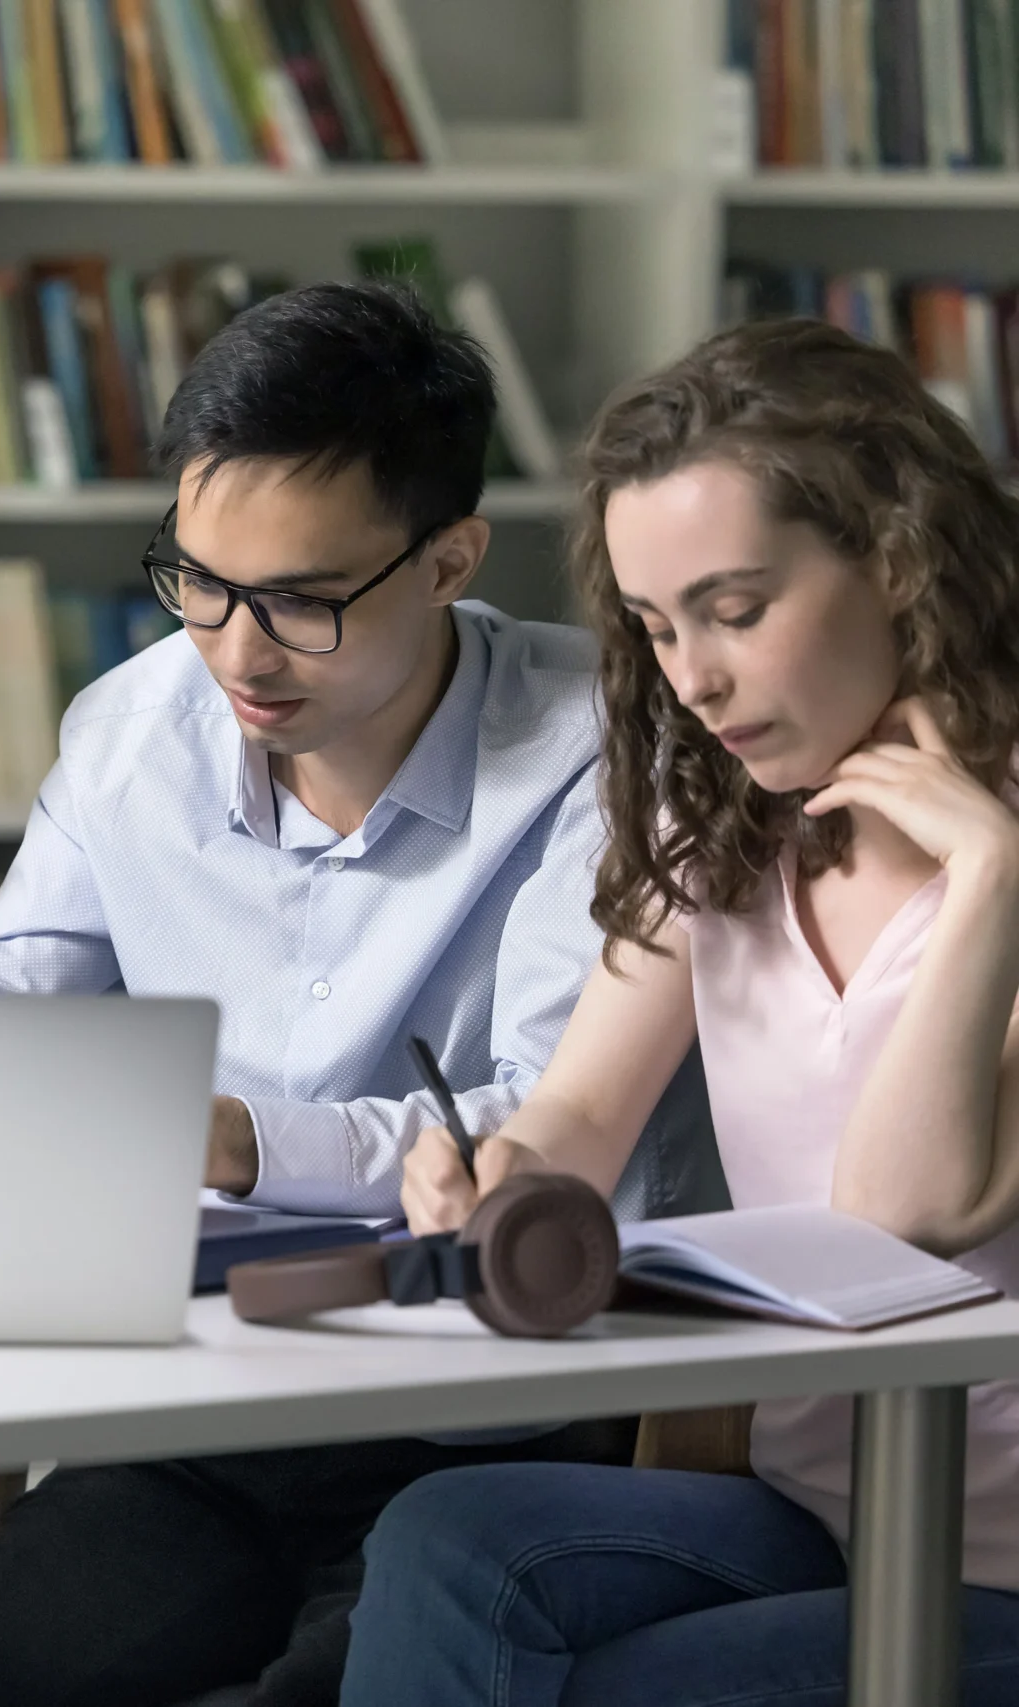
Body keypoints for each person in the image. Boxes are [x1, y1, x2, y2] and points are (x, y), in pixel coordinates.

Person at [0, 281, 720, 1707]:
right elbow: (15, 986)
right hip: (210, 1408)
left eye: (302, 602)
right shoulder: (135, 727)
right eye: (196, 580)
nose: (235, 652)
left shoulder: (602, 750)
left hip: (499, 1426)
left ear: (450, 560)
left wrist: (244, 1139)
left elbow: (556, 1119)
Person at [341, 318, 1019, 1704]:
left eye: (736, 608)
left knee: (619, 1686)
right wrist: (494, 1177)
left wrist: (994, 871)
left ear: (895, 557)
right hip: (829, 1510)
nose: (691, 678)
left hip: (996, 1560)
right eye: (655, 627)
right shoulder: (719, 818)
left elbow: (900, 1210)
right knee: (447, 1544)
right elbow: (584, 1107)